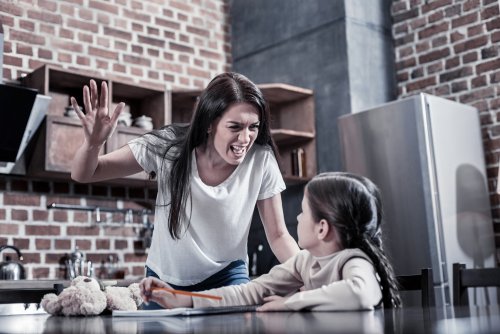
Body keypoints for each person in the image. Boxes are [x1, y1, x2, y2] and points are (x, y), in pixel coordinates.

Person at [70, 72, 300, 309]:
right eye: (235, 127)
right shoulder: (168, 146)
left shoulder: (261, 159)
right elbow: (85, 173)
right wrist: (93, 143)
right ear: (210, 123)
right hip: (162, 284)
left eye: (254, 127)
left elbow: (279, 235)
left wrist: (307, 275)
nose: (245, 138)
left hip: (228, 281)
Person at [140, 172, 402, 311]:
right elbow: (247, 292)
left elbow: (361, 294)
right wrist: (183, 298)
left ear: (322, 228)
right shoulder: (304, 262)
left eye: (303, 211)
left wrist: (290, 303)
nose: (297, 217)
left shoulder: (353, 260)